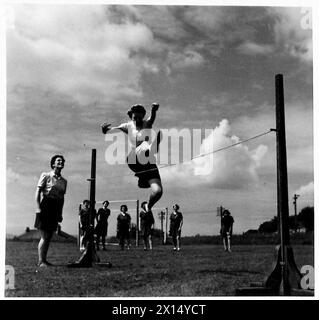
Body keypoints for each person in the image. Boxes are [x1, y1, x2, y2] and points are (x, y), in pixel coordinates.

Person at [101, 103, 163, 213]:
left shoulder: (146, 124)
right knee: (144, 146)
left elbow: (152, 117)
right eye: (135, 117)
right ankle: (153, 147)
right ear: (131, 117)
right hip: (133, 159)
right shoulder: (127, 126)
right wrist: (105, 130)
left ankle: (148, 207)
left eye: (140, 117)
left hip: (148, 162)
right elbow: (111, 129)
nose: (138, 120)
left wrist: (153, 110)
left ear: (143, 116)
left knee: (158, 191)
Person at [35, 155, 67, 267]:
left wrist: (60, 213)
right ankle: (40, 261)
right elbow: (38, 192)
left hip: (56, 207)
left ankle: (44, 260)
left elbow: (62, 198)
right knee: (44, 236)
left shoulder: (64, 181)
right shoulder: (46, 175)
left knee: (49, 236)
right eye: (58, 160)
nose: (61, 162)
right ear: (53, 164)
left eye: (62, 161)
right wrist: (38, 208)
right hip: (46, 206)